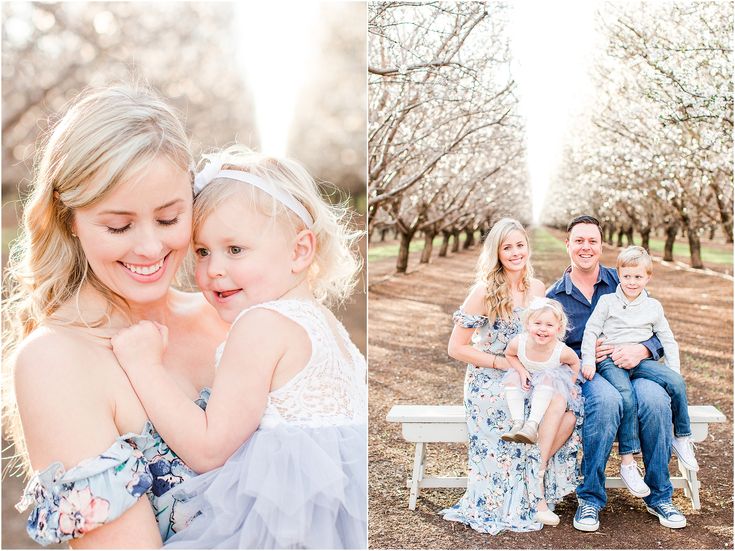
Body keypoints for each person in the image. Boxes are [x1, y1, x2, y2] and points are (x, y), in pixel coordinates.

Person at [109, 146, 367, 549]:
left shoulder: (259, 326)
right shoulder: (328, 326)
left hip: (276, 527)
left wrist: (143, 366)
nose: (214, 269)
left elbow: (209, 449)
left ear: (300, 250)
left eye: (235, 250)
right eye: (202, 251)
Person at [5, 84, 229, 547]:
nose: (150, 247)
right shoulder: (56, 362)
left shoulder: (226, 317)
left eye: (168, 218)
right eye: (118, 225)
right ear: (70, 219)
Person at [441, 218, 582, 533]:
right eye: (508, 247)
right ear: (497, 253)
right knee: (516, 412)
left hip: (529, 371)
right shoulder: (483, 292)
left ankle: (536, 478)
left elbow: (545, 335)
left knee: (567, 412)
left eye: (520, 245)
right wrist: (503, 364)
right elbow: (456, 348)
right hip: (491, 376)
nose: (516, 252)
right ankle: (529, 496)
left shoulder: (537, 288)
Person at [547, 215, 688, 531]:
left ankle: (660, 496)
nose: (586, 247)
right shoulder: (555, 295)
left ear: (601, 245)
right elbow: (548, 349)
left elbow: (656, 329)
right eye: (579, 240)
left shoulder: (624, 280)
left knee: (655, 401)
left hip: (638, 368)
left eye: (592, 241)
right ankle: (590, 499)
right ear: (567, 244)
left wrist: (643, 349)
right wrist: (580, 355)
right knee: (607, 402)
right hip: (591, 373)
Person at [580, 245, 697, 498]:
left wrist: (673, 370)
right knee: (625, 396)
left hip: (641, 361)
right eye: (626, 276)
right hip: (611, 360)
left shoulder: (653, 306)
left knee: (675, 382)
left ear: (648, 277)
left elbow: (667, 339)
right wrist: (588, 360)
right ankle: (628, 461)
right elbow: (590, 331)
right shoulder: (607, 301)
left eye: (638, 277)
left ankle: (682, 437)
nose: (632, 282)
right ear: (618, 274)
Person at [502, 298, 580, 450]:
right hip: (528, 374)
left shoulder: (561, 350)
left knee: (548, 378)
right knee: (512, 380)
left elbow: (575, 362)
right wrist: (521, 370)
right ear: (528, 324)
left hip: (548, 377)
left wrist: (571, 384)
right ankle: (517, 424)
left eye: (549, 325)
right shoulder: (519, 342)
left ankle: (532, 425)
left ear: (558, 329)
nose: (542, 329)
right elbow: (509, 355)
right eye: (537, 323)